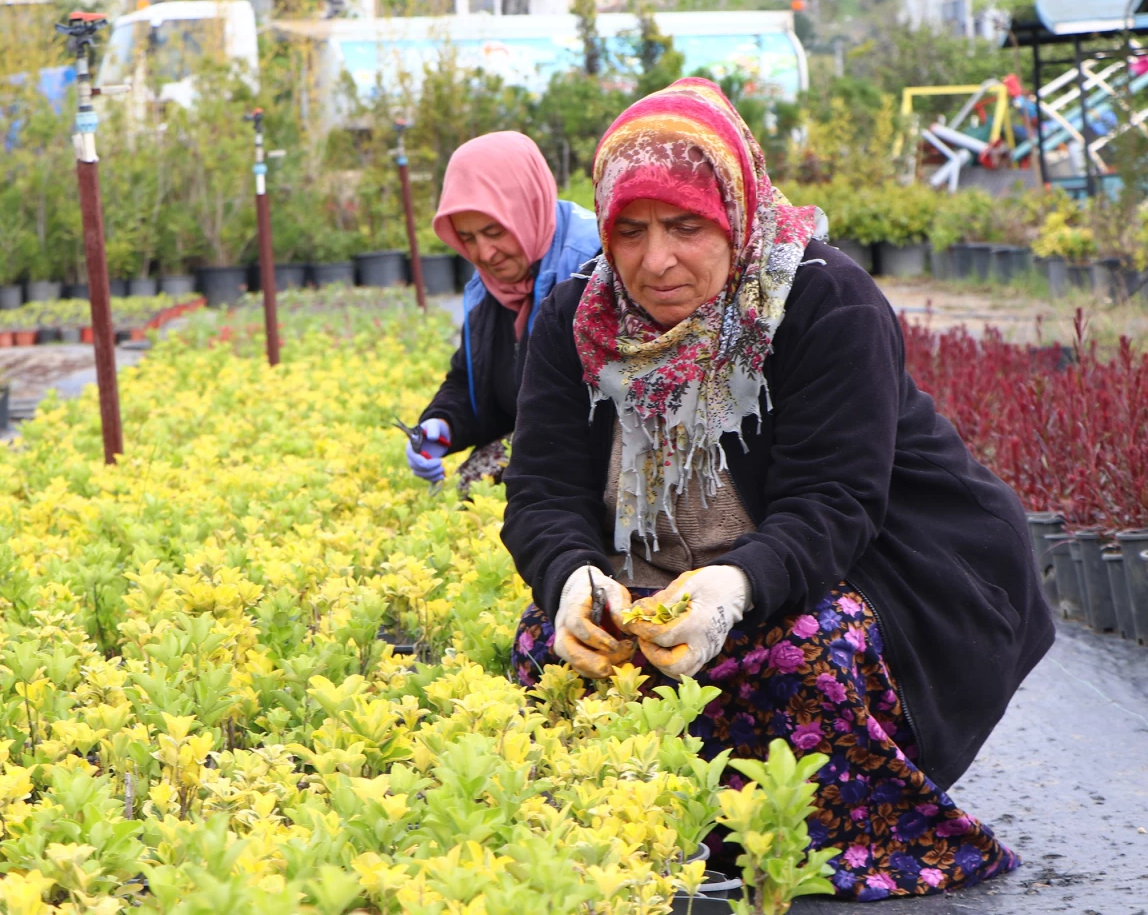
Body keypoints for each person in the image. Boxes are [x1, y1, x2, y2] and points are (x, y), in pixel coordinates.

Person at [501, 78, 1053, 900]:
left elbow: (834, 503)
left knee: (804, 650)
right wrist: (570, 578)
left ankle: (814, 846)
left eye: (687, 226)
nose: (656, 261)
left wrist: (735, 586)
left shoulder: (824, 301)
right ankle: (658, 835)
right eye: (630, 231)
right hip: (665, 582)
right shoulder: (574, 319)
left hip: (872, 565)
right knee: (546, 647)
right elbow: (542, 494)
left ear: (735, 215)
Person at [404, 131, 600, 492]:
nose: (484, 254)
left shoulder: (593, 270)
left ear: (529, 208)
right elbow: (469, 379)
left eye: (494, 231)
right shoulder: (490, 288)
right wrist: (441, 425)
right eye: (467, 238)